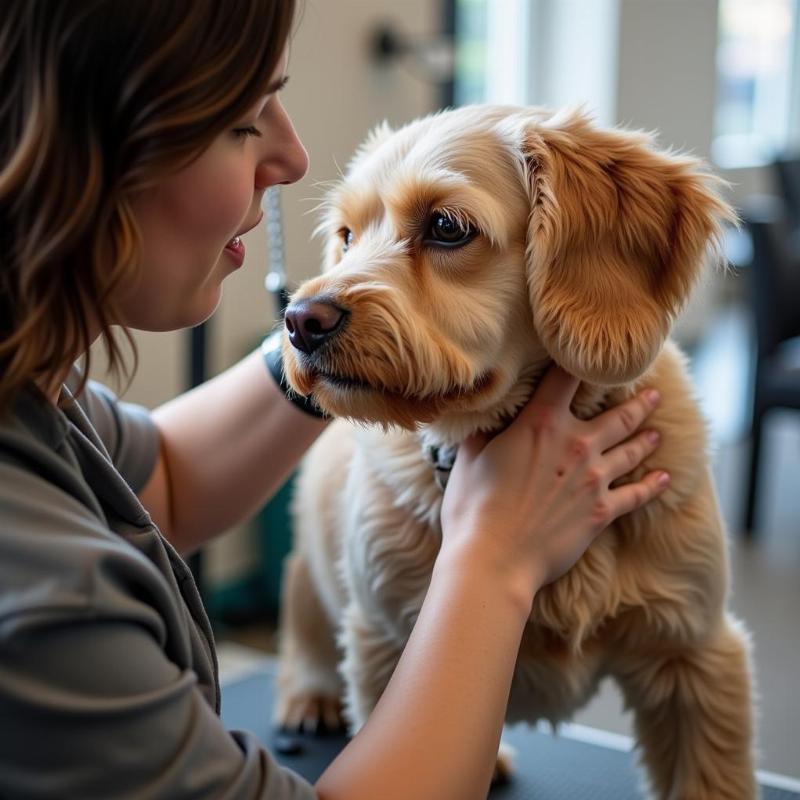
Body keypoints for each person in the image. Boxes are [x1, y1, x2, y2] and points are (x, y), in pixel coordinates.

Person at [0, 1, 670, 798]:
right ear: (84, 149)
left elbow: (164, 480)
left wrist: (358, 335)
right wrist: (494, 560)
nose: (291, 154)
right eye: (244, 120)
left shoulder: (29, 394)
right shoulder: (43, 595)